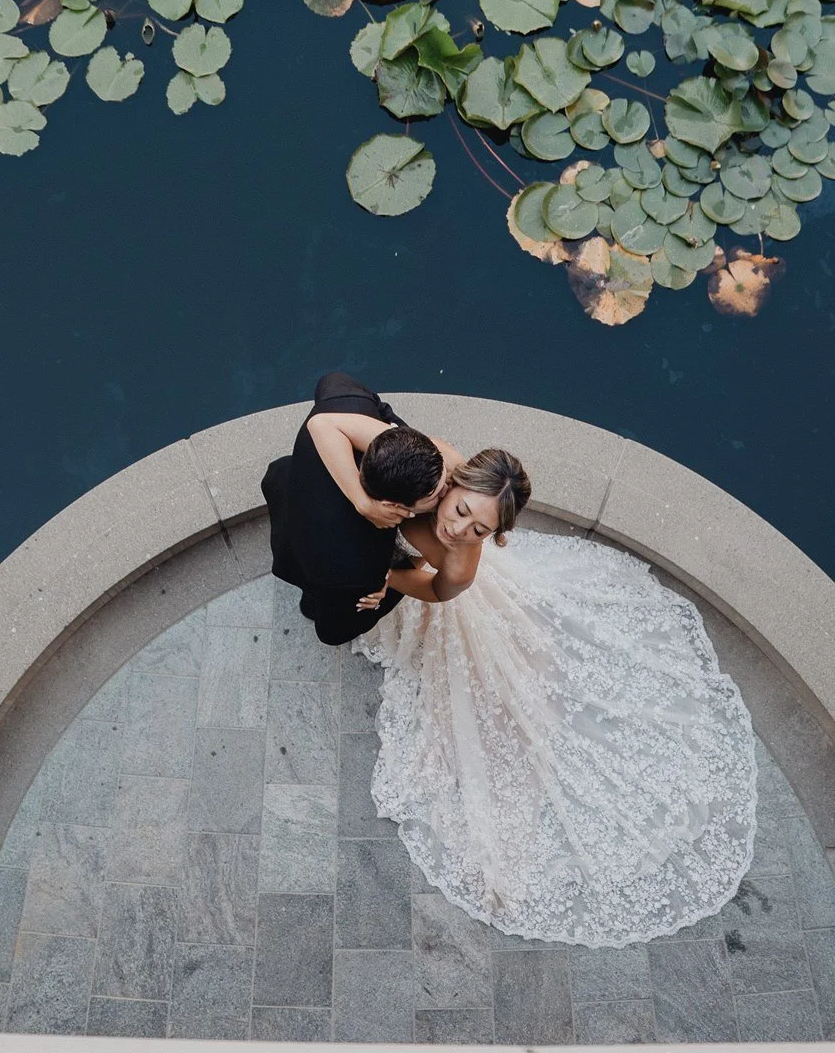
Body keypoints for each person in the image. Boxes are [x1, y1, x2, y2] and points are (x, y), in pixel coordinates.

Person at [319, 414, 759, 948]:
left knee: (515, 713)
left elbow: (437, 592)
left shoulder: (461, 565)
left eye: (480, 530)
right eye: (460, 512)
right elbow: (326, 425)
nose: (458, 529)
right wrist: (364, 504)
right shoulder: (431, 463)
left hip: (442, 599)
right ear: (452, 483)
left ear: (496, 537)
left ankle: (510, 845)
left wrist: (385, 576)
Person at [261, 371, 461, 647]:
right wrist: (395, 578)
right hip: (313, 551)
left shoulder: (348, 403)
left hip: (286, 487)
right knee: (319, 602)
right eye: (436, 495)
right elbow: (332, 634)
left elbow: (331, 380)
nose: (448, 492)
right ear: (394, 506)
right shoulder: (359, 571)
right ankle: (311, 603)